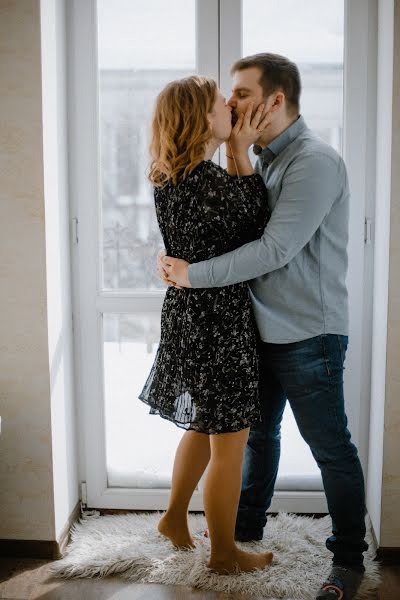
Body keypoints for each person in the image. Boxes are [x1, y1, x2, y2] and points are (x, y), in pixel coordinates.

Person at [159, 54, 368, 600]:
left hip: (307, 333)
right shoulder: (261, 157)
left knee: (331, 449)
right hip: (251, 327)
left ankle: (347, 559)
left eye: (243, 94)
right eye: (226, 97)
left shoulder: (314, 161)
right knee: (256, 440)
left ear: (275, 100)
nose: (232, 104)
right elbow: (229, 222)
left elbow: (271, 248)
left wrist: (189, 273)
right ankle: (238, 533)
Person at [139, 75, 274, 575]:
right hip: (217, 321)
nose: (232, 110)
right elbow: (260, 221)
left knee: (203, 424)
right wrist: (240, 150)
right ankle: (223, 553)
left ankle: (175, 519)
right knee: (231, 439)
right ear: (203, 119)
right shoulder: (213, 183)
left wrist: (232, 147)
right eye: (224, 105)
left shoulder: (169, 176)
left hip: (187, 317)